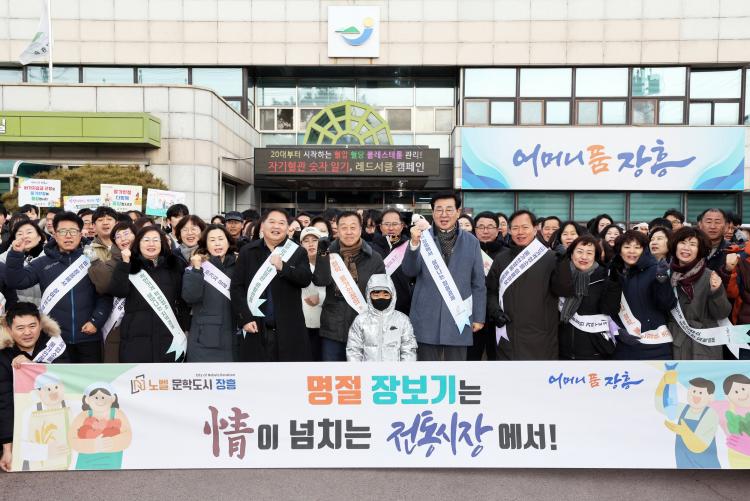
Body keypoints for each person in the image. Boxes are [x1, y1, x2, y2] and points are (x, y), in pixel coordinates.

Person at [5, 212, 112, 363]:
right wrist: (15, 254)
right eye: (62, 231)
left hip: (89, 337)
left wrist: (96, 321)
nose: (68, 236)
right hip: (54, 340)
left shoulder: (93, 260)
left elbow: (105, 294)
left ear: (80, 234)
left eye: (73, 231)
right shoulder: (42, 263)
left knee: (90, 378)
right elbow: (16, 281)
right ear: (54, 234)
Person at [403, 192, 485, 361]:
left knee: (456, 369)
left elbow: (478, 283)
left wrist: (478, 317)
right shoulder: (421, 238)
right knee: (426, 369)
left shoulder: (472, 242)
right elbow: (409, 271)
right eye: (439, 210)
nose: (444, 214)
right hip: (426, 317)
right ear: (432, 213)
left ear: (458, 212)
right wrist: (414, 245)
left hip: (459, 317)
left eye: (449, 209)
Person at [231, 209, 313, 362]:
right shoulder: (248, 251)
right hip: (256, 326)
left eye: (281, 223)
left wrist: (284, 268)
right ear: (262, 226)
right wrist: (245, 318)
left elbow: (306, 279)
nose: (276, 226)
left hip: (289, 329)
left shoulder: (298, 252)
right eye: (272, 222)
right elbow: (236, 288)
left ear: (288, 228)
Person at [0, 302, 70, 472]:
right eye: (20, 328)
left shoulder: (55, 344)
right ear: (9, 329)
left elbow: (68, 382)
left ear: (40, 324)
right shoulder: (3, 354)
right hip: (19, 417)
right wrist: (8, 449)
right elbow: (4, 401)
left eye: (32, 326)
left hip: (56, 415)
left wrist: (34, 367)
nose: (27, 332)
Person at [107, 226, 190, 363]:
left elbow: (182, 301)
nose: (151, 244)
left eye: (155, 240)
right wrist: (125, 263)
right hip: (135, 337)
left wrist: (186, 327)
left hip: (169, 335)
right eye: (146, 240)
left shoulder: (174, 266)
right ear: (138, 243)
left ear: (162, 243)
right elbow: (118, 291)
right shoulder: (129, 266)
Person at [487, 209, 561, 360]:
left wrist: (564, 261)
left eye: (525, 227)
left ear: (535, 229)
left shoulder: (552, 258)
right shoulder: (501, 259)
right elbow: (490, 291)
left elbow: (564, 290)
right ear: (509, 231)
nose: (520, 232)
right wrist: (495, 311)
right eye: (515, 228)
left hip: (541, 338)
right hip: (508, 334)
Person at [313, 211, 385, 361]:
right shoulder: (328, 252)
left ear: (360, 229)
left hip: (364, 328)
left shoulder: (374, 258)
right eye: (344, 228)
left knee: (361, 373)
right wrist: (322, 254)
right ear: (337, 230)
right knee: (332, 372)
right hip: (332, 327)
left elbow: (382, 294)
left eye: (353, 227)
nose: (348, 232)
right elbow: (320, 280)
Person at [667, 227, 731, 360]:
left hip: (704, 344)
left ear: (700, 250)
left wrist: (716, 292)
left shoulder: (710, 276)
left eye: (692, 244)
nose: (686, 248)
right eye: (682, 242)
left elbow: (722, 314)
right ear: (675, 245)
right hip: (673, 341)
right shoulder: (666, 275)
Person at [611, 230, 676, 360]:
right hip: (623, 344)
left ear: (644, 250)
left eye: (637, 247)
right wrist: (616, 330)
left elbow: (667, 304)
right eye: (627, 247)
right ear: (620, 250)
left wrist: (662, 280)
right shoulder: (612, 273)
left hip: (656, 344)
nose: (632, 251)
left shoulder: (655, 270)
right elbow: (607, 309)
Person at [554, 235, 621, 360]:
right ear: (571, 253)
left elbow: (610, 309)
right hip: (562, 350)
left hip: (594, 351)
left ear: (595, 256)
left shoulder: (604, 277)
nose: (584, 257)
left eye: (589, 253)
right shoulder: (560, 275)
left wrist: (614, 283)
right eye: (579, 252)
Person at [182, 224, 238, 362]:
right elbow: (190, 297)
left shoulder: (239, 265)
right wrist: (196, 270)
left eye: (221, 239)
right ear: (205, 244)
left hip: (235, 336)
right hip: (205, 338)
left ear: (228, 242)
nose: (217, 243)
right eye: (212, 240)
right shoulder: (198, 266)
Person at [88, 221, 135, 363]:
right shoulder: (112, 261)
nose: (123, 239)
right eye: (118, 236)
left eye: (126, 234)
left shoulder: (148, 259)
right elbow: (104, 287)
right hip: (116, 322)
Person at [655, 371, 721, 469]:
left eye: (700, 393)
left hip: (706, 467)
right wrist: (664, 381)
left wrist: (685, 432)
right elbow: (661, 405)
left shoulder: (710, 414)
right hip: (683, 464)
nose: (696, 396)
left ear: (710, 397)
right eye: (693, 391)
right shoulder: (683, 409)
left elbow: (699, 446)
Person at [346, 273, 417, 362]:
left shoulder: (402, 320)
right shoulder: (360, 320)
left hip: (394, 370)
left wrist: (403, 370)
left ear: (392, 296)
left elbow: (409, 350)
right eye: (376, 295)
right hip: (368, 370)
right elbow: (354, 350)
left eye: (386, 295)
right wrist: (358, 370)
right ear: (369, 296)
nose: (381, 298)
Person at [468, 211, 505, 361]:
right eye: (481, 227)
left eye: (490, 227)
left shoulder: (507, 254)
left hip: (498, 316)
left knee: (497, 358)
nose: (485, 231)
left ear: (498, 229)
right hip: (472, 314)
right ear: (475, 229)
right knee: (471, 358)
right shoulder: (466, 252)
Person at [69, 383, 132, 470]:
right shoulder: (83, 416)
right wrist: (94, 445)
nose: (100, 401)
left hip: (111, 463)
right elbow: (72, 439)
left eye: (103, 397)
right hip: (86, 464)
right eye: (96, 398)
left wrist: (112, 442)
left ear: (112, 399)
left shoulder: (117, 414)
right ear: (87, 400)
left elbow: (127, 436)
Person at [378, 209, 415, 315]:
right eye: (387, 224)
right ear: (381, 227)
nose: (391, 228)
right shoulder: (372, 248)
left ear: (402, 226)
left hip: (405, 308)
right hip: (378, 306)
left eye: (395, 224)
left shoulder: (411, 246)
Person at [0, 218, 45, 304]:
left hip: (44, 309)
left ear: (39, 237)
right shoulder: (4, 258)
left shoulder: (49, 257)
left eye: (29, 232)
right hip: (16, 309)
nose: (24, 236)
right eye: (20, 234)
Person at [299, 226, 326, 361]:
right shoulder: (295, 266)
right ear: (301, 245)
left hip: (325, 327)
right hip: (302, 326)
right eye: (306, 241)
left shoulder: (331, 264)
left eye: (315, 240)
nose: (311, 244)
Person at [697, 208, 730, 274]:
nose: (712, 226)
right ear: (700, 225)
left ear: (726, 226)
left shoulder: (732, 250)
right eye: (708, 222)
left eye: (717, 222)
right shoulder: (691, 248)